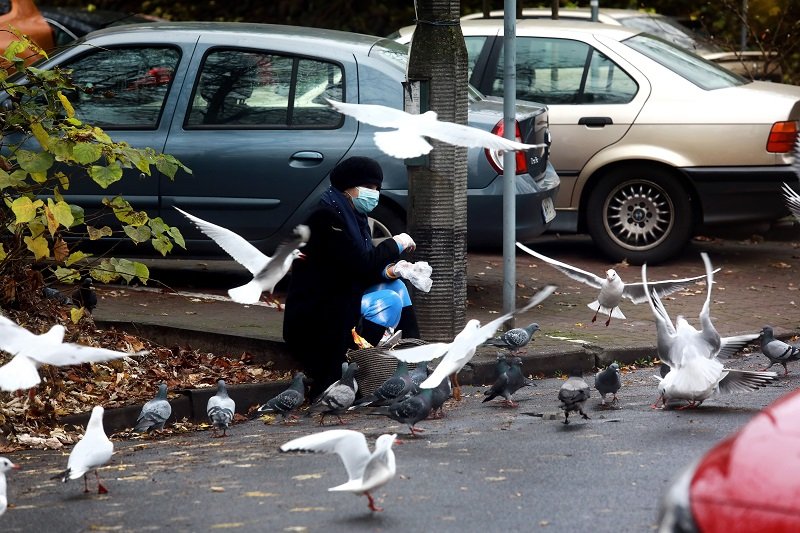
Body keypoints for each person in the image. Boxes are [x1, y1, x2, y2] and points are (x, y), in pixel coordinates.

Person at [282, 156, 420, 398]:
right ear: (348, 187)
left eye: (377, 188)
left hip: (342, 297)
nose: (374, 194)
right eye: (368, 187)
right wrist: (394, 243)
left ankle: (413, 362)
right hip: (318, 315)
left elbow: (359, 266)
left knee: (397, 286)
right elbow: (359, 264)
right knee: (388, 301)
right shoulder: (325, 218)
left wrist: (391, 270)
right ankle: (360, 366)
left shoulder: (353, 215)